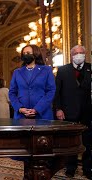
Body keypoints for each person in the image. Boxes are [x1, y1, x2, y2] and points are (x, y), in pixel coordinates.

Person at [53, 45, 91, 178]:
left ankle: (88, 169)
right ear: (71, 55)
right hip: (69, 111)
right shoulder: (63, 70)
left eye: (82, 52)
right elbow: (57, 92)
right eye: (76, 52)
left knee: (88, 142)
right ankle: (70, 168)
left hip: (87, 112)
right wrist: (58, 108)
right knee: (71, 142)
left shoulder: (90, 68)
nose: (79, 54)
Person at [9, 44, 56, 120]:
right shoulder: (17, 72)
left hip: (42, 114)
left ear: (35, 54)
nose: (25, 55)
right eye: (24, 54)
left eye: (28, 53)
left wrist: (37, 109)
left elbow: (51, 91)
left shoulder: (46, 70)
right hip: (21, 116)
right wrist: (20, 108)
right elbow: (12, 93)